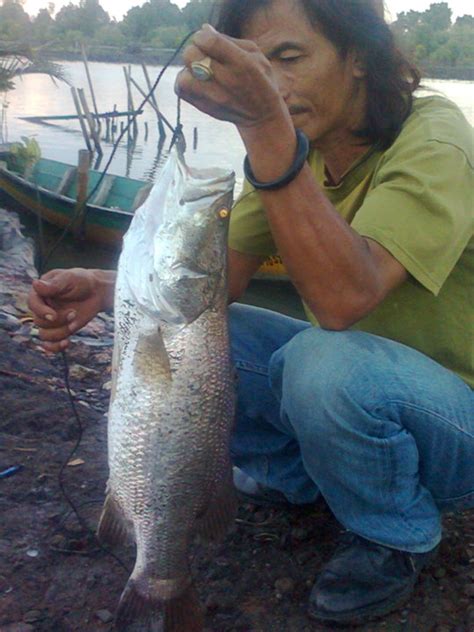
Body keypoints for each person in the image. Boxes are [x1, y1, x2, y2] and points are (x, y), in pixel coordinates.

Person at [28, 0, 474, 625]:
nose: (274, 87)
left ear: (358, 59)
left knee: (324, 361)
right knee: (209, 339)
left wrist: (264, 126)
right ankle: (307, 478)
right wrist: (108, 287)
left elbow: (345, 301)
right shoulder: (299, 152)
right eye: (260, 69)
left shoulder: (435, 135)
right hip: (362, 393)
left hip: (457, 421)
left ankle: (394, 531)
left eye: (289, 59)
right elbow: (215, 281)